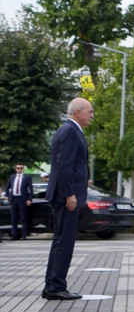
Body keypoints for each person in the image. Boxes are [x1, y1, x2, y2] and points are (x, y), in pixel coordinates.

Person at [43, 97, 93, 300]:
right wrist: (70, 193)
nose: (92, 115)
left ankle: (52, 285)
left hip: (64, 193)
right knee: (65, 241)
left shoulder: (68, 130)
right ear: (78, 112)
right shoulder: (71, 131)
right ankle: (56, 287)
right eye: (89, 111)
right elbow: (64, 165)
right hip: (66, 196)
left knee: (60, 240)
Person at [5, 163, 33, 240]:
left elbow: (30, 189)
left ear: (23, 169)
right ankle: (14, 235)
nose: (19, 169)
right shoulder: (12, 177)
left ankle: (24, 235)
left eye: (21, 168)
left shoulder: (27, 177)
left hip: (22, 199)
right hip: (14, 199)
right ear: (15, 169)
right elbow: (7, 188)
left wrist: (29, 199)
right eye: (18, 168)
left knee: (23, 217)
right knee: (13, 218)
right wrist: (7, 195)